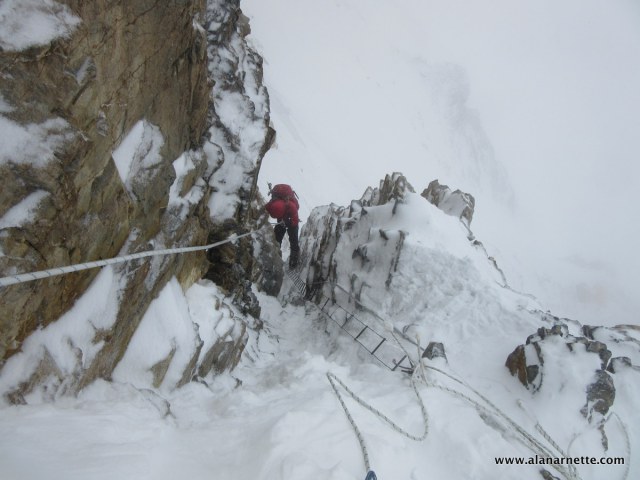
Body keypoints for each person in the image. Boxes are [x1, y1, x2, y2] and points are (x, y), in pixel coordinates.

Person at [265, 183, 300, 268]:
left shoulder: (291, 206)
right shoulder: (273, 205)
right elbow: (266, 208)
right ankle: (276, 256)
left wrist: (289, 222)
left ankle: (293, 262)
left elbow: (295, 220)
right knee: (277, 239)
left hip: (291, 220)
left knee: (294, 242)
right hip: (282, 220)